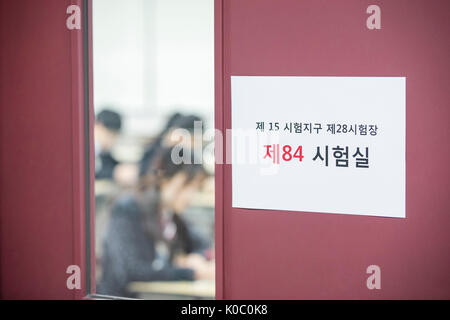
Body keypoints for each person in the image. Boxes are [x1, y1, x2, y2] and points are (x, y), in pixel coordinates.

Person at [97, 147, 213, 297]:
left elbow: (203, 244)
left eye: (196, 188)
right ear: (164, 178)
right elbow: (132, 271)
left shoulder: (170, 215)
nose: (190, 195)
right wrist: (191, 273)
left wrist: (196, 258)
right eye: (186, 185)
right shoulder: (128, 209)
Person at [94, 109, 122, 180]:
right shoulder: (91, 148)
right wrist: (114, 173)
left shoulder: (103, 151)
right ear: (98, 126)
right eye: (110, 134)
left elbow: (109, 163)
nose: (112, 141)